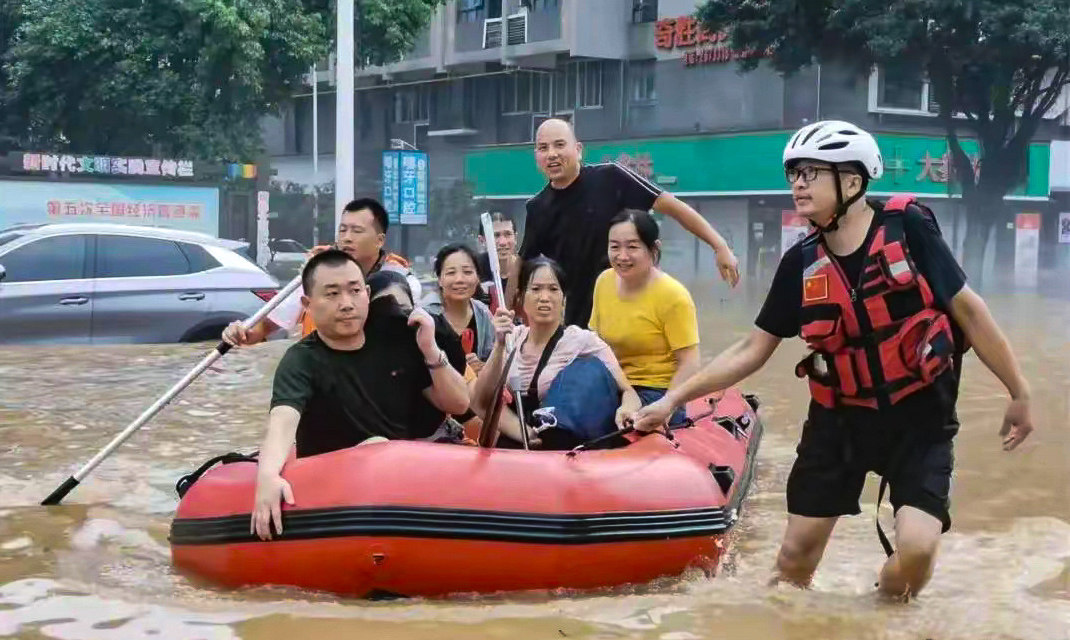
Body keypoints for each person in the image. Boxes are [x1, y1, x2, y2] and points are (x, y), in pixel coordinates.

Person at [629, 120, 1035, 599]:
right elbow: (753, 349)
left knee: (919, 550)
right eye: (794, 174)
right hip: (839, 422)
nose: (798, 184)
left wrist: (1019, 390)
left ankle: (882, 611)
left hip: (920, 419)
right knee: (794, 559)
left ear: (853, 181)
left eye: (811, 173)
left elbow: (968, 308)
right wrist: (672, 399)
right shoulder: (799, 264)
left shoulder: (909, 229)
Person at [249, 249, 469, 540]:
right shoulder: (301, 361)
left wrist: (430, 350)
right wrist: (267, 477)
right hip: (329, 490)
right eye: (332, 294)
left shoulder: (396, 342)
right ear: (308, 304)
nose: (346, 304)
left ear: (367, 293)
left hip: (400, 488)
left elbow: (458, 403)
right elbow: (282, 422)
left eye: (354, 291)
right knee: (378, 446)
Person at [505, 118, 740, 329]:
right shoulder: (537, 208)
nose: (552, 154)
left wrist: (719, 246)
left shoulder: (611, 177)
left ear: (578, 150)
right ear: (536, 156)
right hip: (581, 321)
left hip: (634, 309)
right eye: (543, 148)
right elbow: (523, 263)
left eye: (559, 145)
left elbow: (672, 206)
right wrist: (506, 314)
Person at [473, 257, 642, 450]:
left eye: (553, 289)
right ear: (521, 297)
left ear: (564, 300)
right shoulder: (512, 338)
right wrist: (499, 345)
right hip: (518, 444)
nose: (544, 297)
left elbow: (628, 392)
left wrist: (626, 409)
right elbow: (480, 401)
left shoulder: (583, 341)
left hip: (566, 448)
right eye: (535, 289)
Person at [222, 198, 421, 346]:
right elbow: (269, 324)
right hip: (322, 368)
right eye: (343, 230)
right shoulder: (317, 273)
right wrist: (242, 333)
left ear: (379, 240)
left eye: (356, 231)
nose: (347, 238)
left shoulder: (401, 282)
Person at [589, 209, 700, 426]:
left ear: (653, 248)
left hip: (656, 391)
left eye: (632, 246)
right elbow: (594, 343)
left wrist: (667, 406)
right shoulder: (604, 281)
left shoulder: (673, 296)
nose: (622, 256)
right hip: (615, 384)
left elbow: (690, 363)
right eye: (614, 246)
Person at [421, 244, 496, 374]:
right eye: (451, 273)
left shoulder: (483, 314)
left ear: (477, 278)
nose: (459, 279)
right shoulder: (426, 317)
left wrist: (482, 368)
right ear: (439, 279)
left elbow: (492, 362)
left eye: (467, 272)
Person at [475, 211, 518, 311]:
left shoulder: (526, 271)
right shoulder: (473, 271)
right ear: (482, 240)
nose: (503, 242)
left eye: (508, 234)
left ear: (515, 238)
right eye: (496, 235)